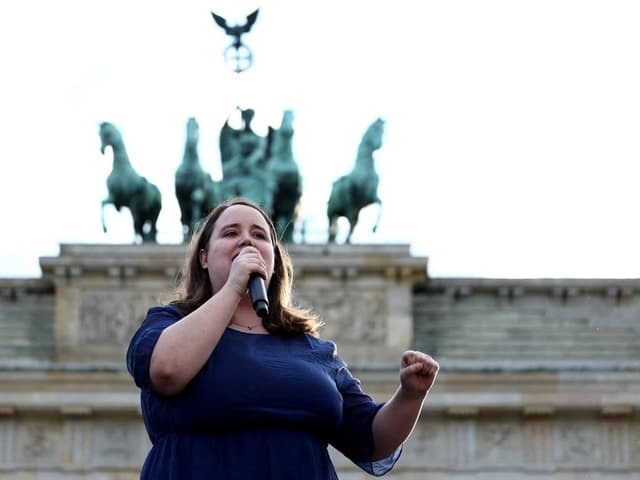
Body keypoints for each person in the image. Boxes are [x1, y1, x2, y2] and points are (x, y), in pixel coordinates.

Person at [126, 197, 439, 479]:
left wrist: (410, 395)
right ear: (204, 258)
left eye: (260, 235)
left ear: (272, 261)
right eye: (231, 233)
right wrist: (235, 287)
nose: (247, 240)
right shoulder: (169, 322)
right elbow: (167, 370)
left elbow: (372, 440)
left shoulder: (312, 349)